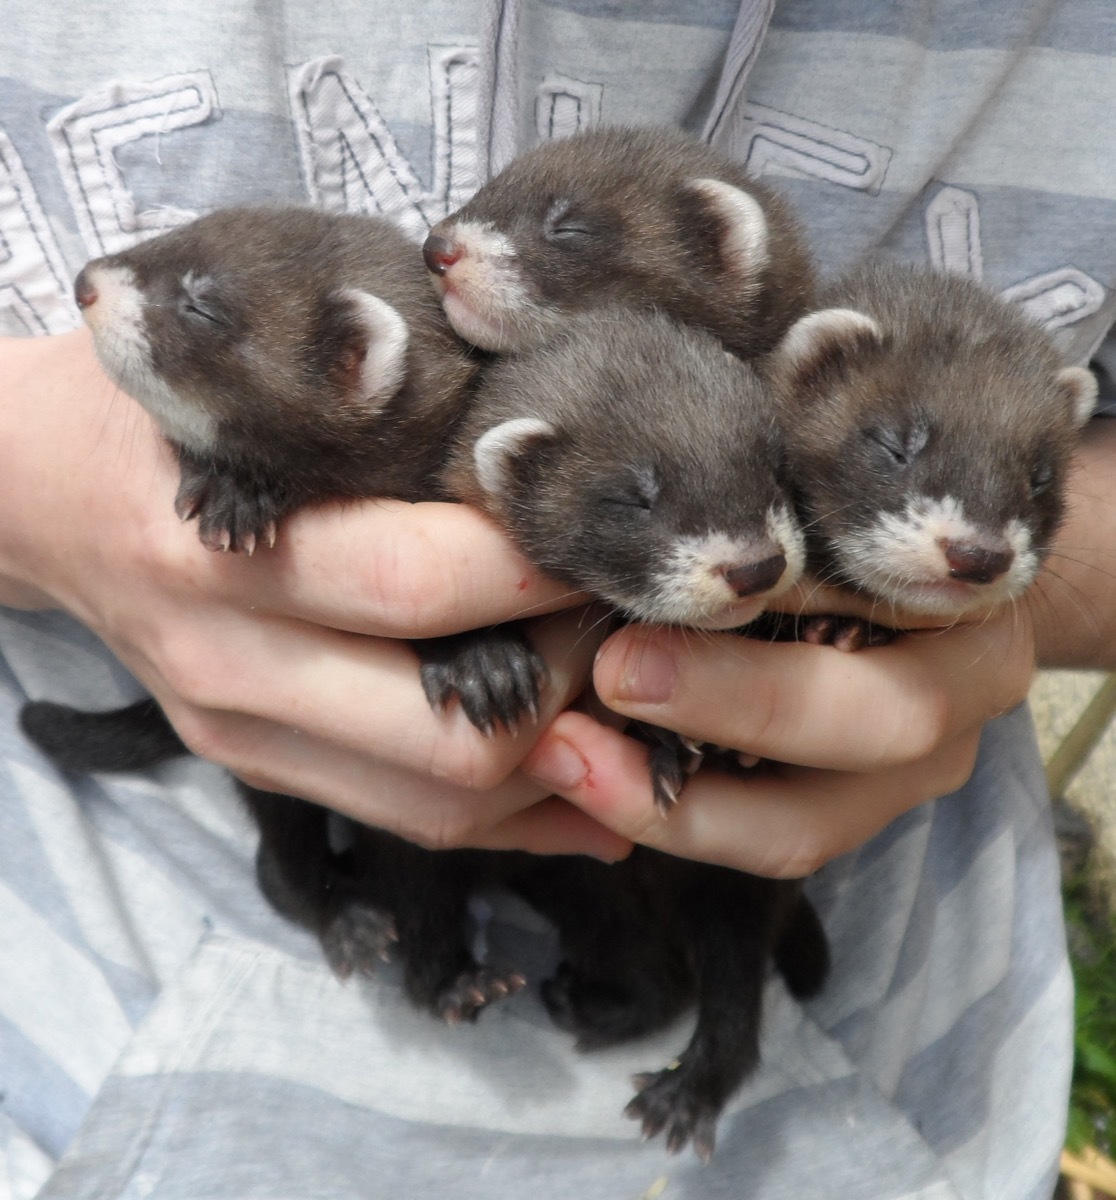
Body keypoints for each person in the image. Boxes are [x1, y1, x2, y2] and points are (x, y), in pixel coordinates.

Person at [1, 2, 1114, 1197]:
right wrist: (36, 482)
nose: (449, 251)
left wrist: (977, 615)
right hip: (94, 1022)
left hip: (896, 1076)